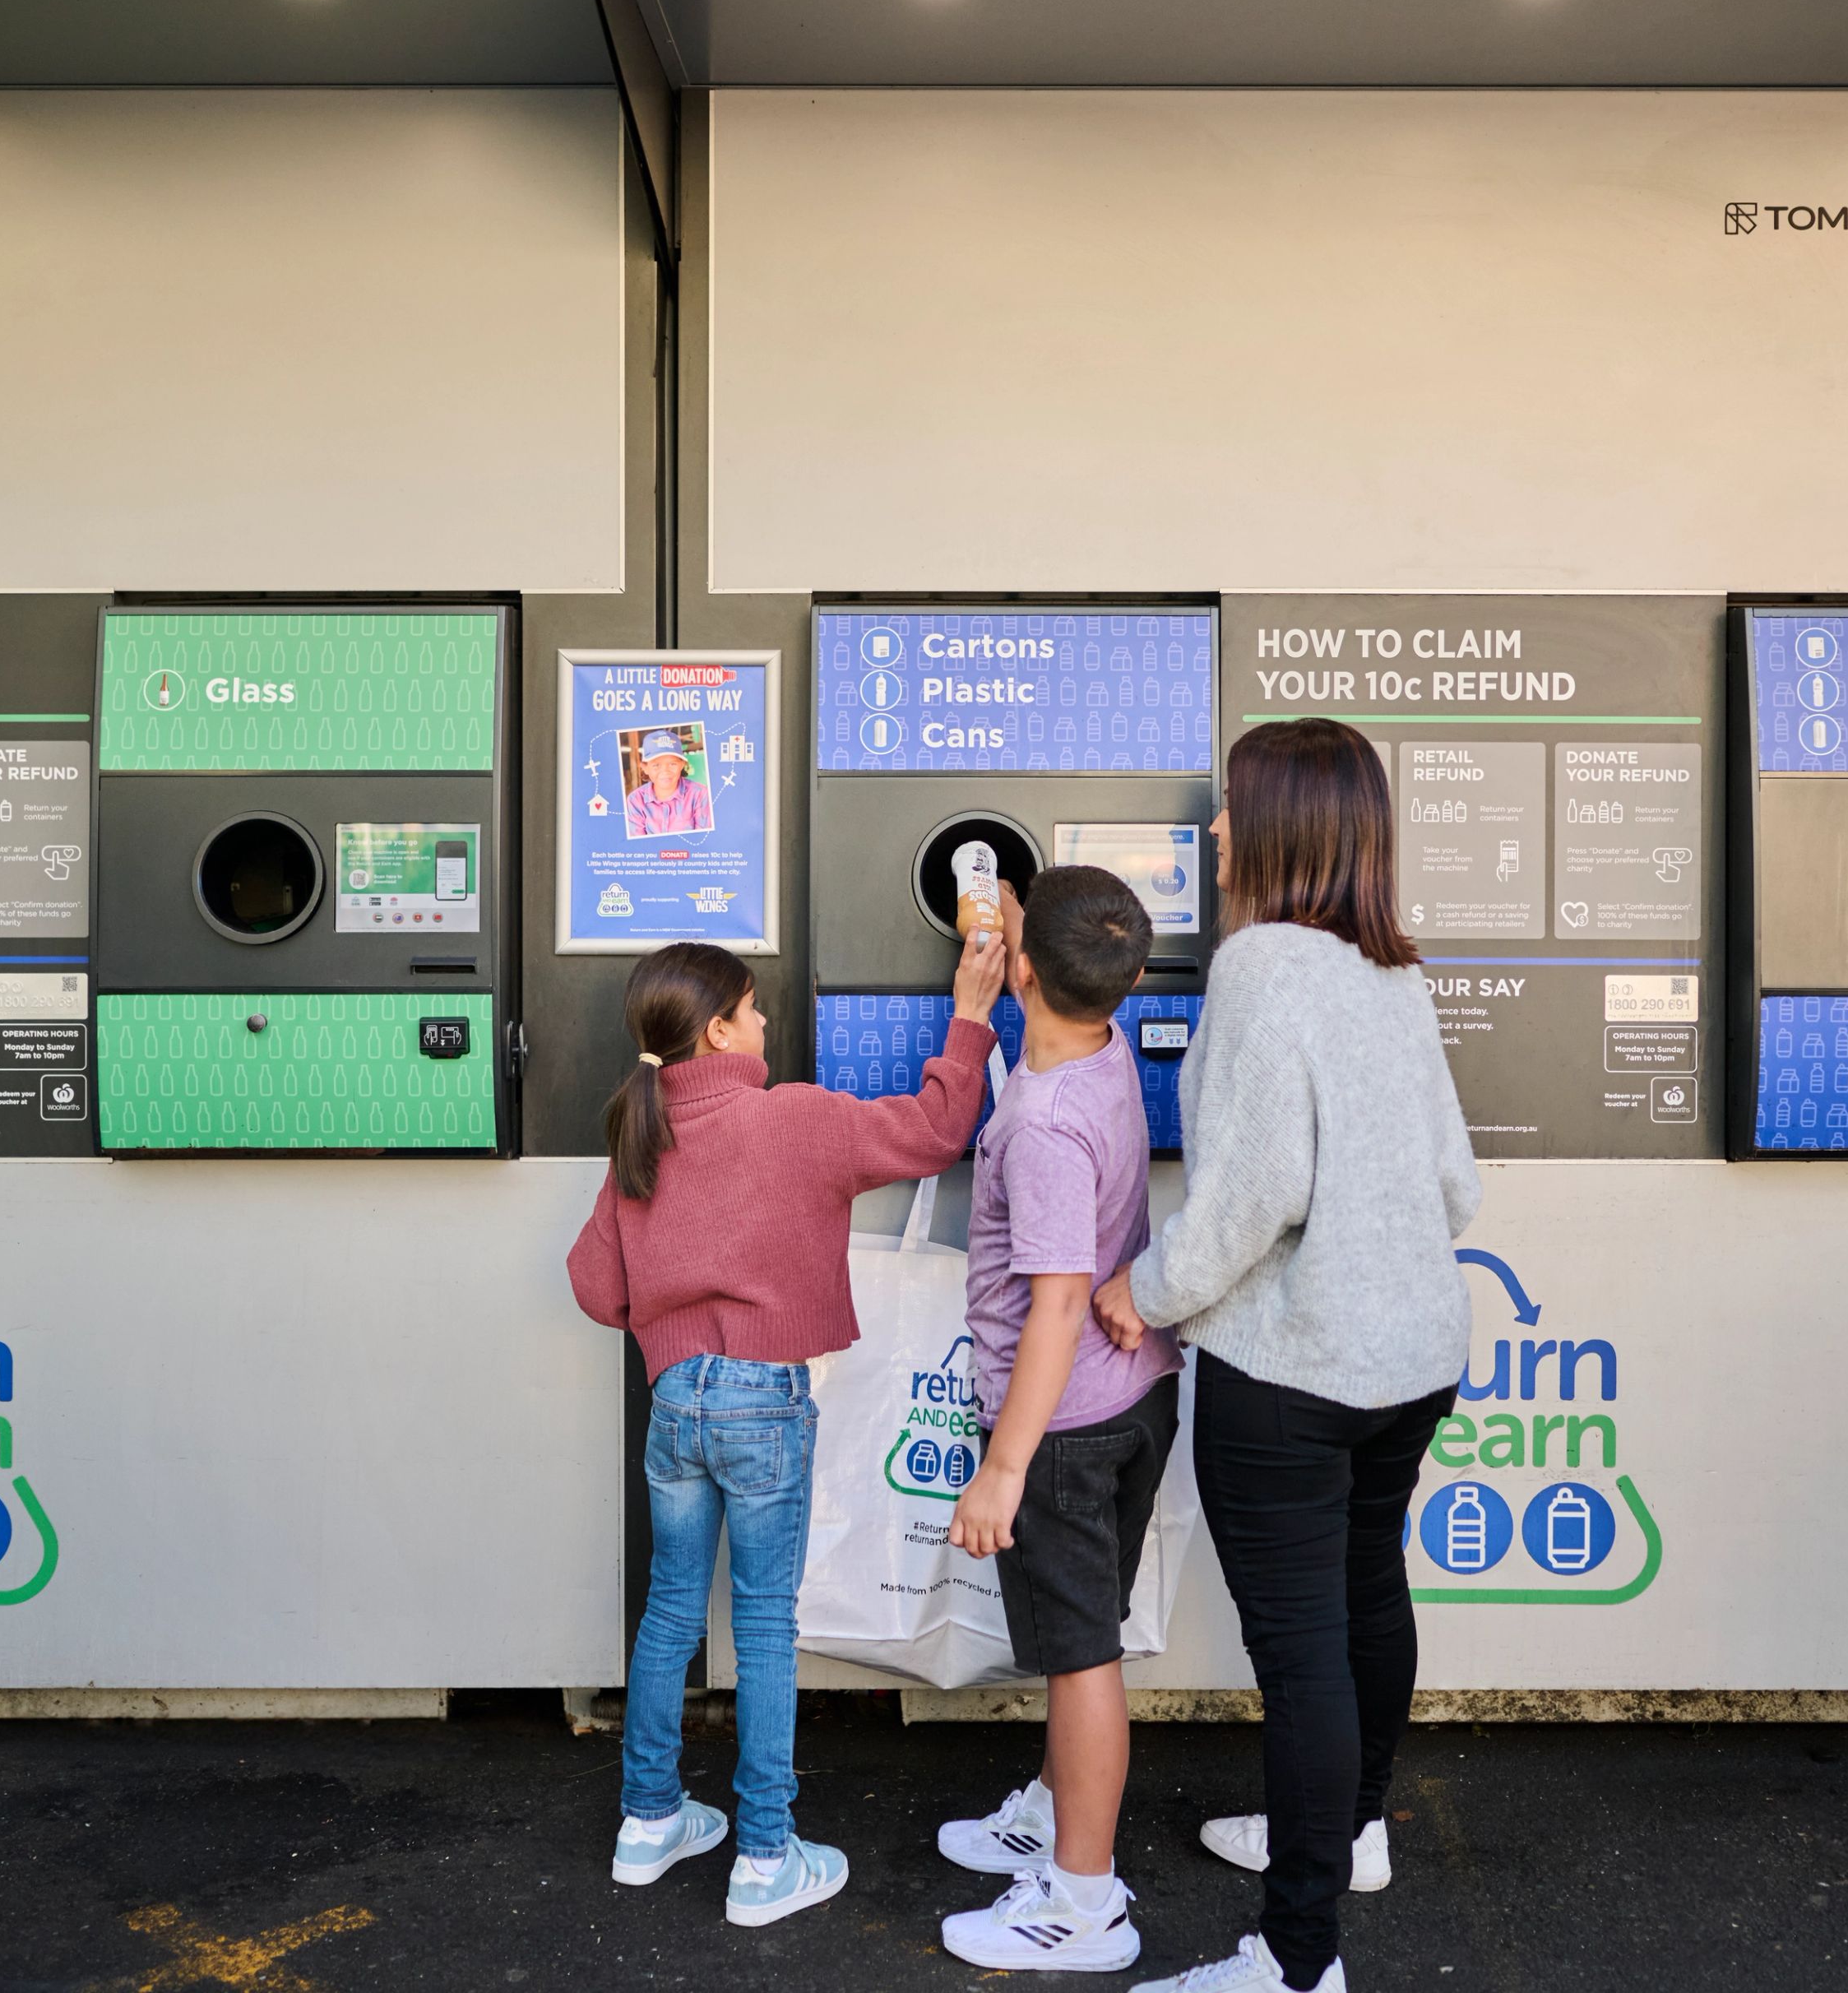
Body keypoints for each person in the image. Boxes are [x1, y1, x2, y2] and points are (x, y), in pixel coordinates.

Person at [1101, 718, 1481, 1993]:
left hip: (1293, 1371)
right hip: (1413, 1356)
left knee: (1304, 1654)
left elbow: (1246, 1201)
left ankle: (1296, 1959)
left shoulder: (1260, 965)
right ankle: (1354, 1831)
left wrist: (1143, 1293)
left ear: (1278, 827)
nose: (1213, 830)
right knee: (1368, 1596)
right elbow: (1457, 1184)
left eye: (1230, 807)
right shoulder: (1393, 973)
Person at [569, 927, 1007, 1927]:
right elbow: (937, 1130)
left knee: (671, 1612)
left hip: (674, 1398)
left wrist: (674, 1310)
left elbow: (595, 1287)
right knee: (765, 1623)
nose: (766, 1020)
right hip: (764, 1400)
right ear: (719, 1031)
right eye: (754, 1007)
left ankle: (648, 1819)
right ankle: (766, 1856)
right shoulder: (795, 1119)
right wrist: (971, 1016)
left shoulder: (639, 1135)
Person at [934, 867, 1180, 1974]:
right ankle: (1050, 1809)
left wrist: (1005, 1467)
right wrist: (997, 959)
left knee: (1082, 1660)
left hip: (1065, 1429)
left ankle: (1084, 1903)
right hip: (1133, 1396)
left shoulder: (1040, 1122)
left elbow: (1059, 1305)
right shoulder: (1104, 1050)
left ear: (1025, 967)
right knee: (1087, 1636)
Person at [626, 728, 713, 837]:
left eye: (672, 764)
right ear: (645, 768)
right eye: (656, 765)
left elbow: (702, 839)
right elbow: (639, 844)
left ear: (682, 764)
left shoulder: (700, 794)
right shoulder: (635, 800)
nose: (665, 771)